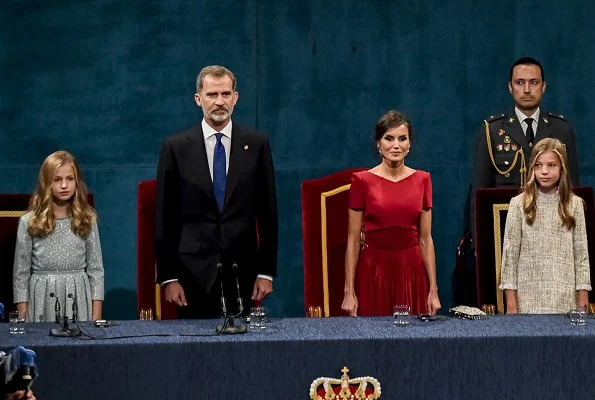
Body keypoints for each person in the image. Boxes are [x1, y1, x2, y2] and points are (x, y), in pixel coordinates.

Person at [155, 65, 278, 319]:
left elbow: (268, 214)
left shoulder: (256, 144)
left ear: (236, 97)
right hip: (191, 274)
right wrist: (168, 277)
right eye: (212, 95)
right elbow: (165, 217)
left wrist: (265, 272)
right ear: (198, 99)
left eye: (225, 94)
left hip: (242, 272)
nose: (219, 102)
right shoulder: (175, 148)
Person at [341, 110, 441, 316]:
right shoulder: (362, 181)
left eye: (402, 139)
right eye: (389, 138)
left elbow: (425, 239)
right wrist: (349, 291)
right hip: (374, 270)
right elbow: (352, 240)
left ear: (409, 143)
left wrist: (433, 290)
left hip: (411, 271)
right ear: (378, 143)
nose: (396, 145)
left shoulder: (423, 180)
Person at [499, 138, 591, 314]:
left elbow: (581, 257)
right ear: (532, 168)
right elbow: (509, 258)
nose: (544, 171)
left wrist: (582, 299)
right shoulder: (518, 204)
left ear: (562, 167)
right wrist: (511, 303)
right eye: (538, 165)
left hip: (565, 299)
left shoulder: (574, 205)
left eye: (551, 165)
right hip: (527, 299)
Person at [13, 151, 104, 322]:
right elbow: (21, 273)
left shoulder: (87, 219)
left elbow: (96, 270)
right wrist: (23, 316)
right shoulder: (29, 222)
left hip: (77, 295)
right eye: (57, 180)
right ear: (46, 182)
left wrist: (96, 317)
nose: (64, 185)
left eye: (70, 179)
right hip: (42, 297)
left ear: (77, 182)